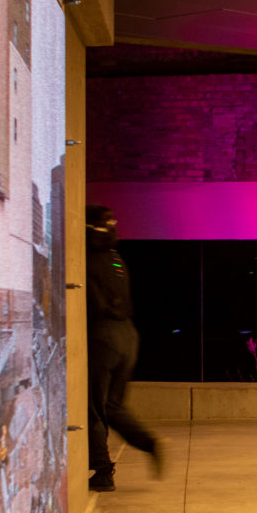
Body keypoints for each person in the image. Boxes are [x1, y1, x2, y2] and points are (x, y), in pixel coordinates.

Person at [85, 206, 160, 491]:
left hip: (103, 337)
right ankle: (147, 441)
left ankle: (103, 471)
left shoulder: (87, 261)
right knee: (113, 405)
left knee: (94, 407)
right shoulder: (117, 259)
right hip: (129, 336)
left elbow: (92, 305)